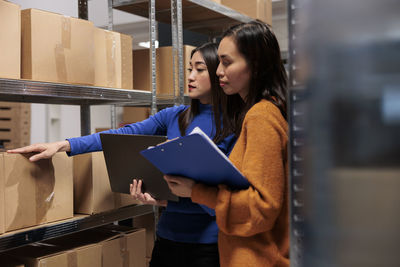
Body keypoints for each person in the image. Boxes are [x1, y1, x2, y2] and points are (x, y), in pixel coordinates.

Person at [7, 42, 236, 267]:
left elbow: (231, 197)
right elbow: (122, 134)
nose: (191, 76)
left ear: (218, 72)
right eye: (189, 69)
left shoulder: (235, 124)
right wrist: (63, 145)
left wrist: (179, 197)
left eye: (199, 69)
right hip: (167, 238)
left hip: (209, 244)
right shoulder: (174, 116)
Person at [163, 21, 289, 267]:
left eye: (227, 62)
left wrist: (196, 191)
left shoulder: (261, 116)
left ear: (255, 64)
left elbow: (261, 208)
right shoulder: (264, 110)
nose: (218, 71)